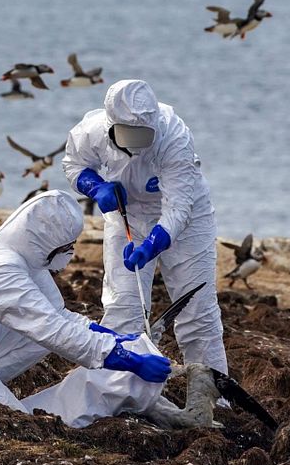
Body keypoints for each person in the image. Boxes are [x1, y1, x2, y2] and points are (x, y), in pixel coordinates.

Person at [0, 190, 171, 425]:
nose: (70, 253)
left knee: (39, 337)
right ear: (47, 240)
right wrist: (129, 360)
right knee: (13, 422)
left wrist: (113, 338)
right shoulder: (2, 271)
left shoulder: (17, 249)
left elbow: (57, 314)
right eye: (67, 246)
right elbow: (51, 329)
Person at [63, 79, 228, 374]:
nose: (138, 143)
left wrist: (152, 244)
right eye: (129, 134)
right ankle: (114, 391)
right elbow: (74, 163)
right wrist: (95, 187)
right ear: (112, 125)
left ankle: (212, 394)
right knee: (123, 308)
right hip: (126, 215)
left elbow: (178, 207)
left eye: (143, 135)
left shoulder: (174, 136)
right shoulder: (92, 131)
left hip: (188, 219)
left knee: (197, 311)